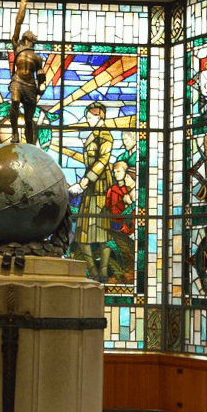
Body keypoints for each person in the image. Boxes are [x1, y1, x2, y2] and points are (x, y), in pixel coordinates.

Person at [69, 101, 113, 279]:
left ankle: (102, 272)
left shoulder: (106, 136)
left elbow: (102, 162)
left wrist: (84, 182)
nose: (87, 120)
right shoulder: (95, 134)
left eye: (89, 116)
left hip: (101, 188)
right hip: (90, 189)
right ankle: (94, 272)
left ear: (99, 116)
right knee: (82, 234)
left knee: (102, 234)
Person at [9, 0, 46, 144]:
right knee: (15, 102)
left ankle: (30, 144)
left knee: (29, 120)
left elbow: (41, 77)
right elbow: (18, 22)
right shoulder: (17, 47)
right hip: (17, 81)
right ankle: (14, 134)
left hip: (30, 86)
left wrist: (41, 89)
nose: (29, 32)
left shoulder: (37, 58)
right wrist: (23, 2)